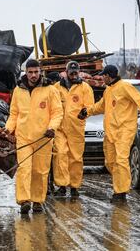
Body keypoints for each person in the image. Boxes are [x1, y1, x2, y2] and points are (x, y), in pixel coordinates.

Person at [78, 65, 140, 202]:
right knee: (110, 162)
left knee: (121, 160)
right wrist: (87, 112)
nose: (102, 77)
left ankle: (120, 192)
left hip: (125, 130)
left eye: (104, 75)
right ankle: (119, 187)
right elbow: (101, 106)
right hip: (110, 132)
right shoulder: (108, 90)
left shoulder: (125, 87)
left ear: (110, 75)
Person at [1, 59, 63, 214]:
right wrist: (8, 129)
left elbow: (57, 112)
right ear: (26, 72)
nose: (33, 75)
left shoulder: (50, 90)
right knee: (24, 169)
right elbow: (14, 114)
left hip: (43, 137)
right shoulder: (18, 90)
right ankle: (24, 201)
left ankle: (37, 201)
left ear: (40, 71)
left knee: (40, 171)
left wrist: (52, 128)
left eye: (36, 72)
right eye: (30, 72)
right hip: (24, 138)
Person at [53, 61, 94, 197]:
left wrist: (85, 112)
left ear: (79, 72)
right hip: (60, 128)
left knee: (76, 158)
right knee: (60, 154)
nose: (74, 75)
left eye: (76, 72)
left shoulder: (85, 88)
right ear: (66, 72)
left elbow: (90, 106)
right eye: (71, 72)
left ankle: (75, 186)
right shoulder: (56, 88)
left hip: (76, 128)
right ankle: (62, 185)